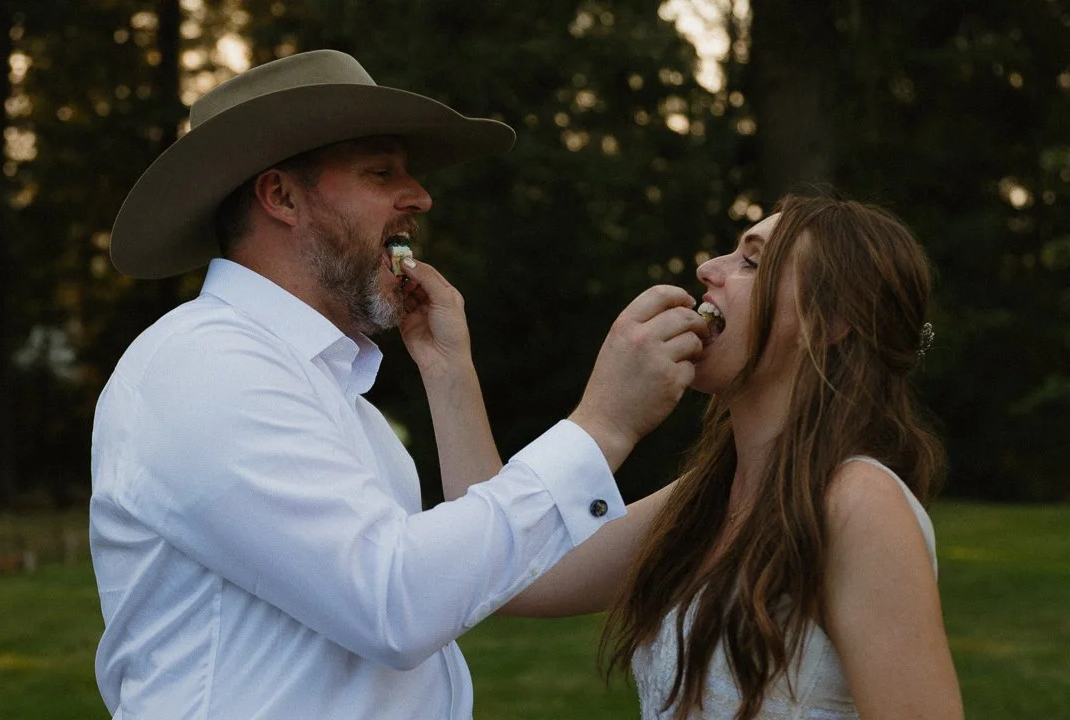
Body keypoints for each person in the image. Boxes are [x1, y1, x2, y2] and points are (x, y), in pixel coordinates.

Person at [89, 49, 709, 719]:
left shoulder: (333, 397)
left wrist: (448, 373)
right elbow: (394, 603)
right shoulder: (203, 365)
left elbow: (467, 575)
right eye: (381, 172)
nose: (420, 196)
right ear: (282, 197)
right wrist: (604, 426)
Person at [500, 194, 964, 718]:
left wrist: (604, 417)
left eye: (750, 261)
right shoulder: (712, 494)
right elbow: (511, 573)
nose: (707, 269)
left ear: (831, 322)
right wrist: (447, 362)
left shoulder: (858, 503)